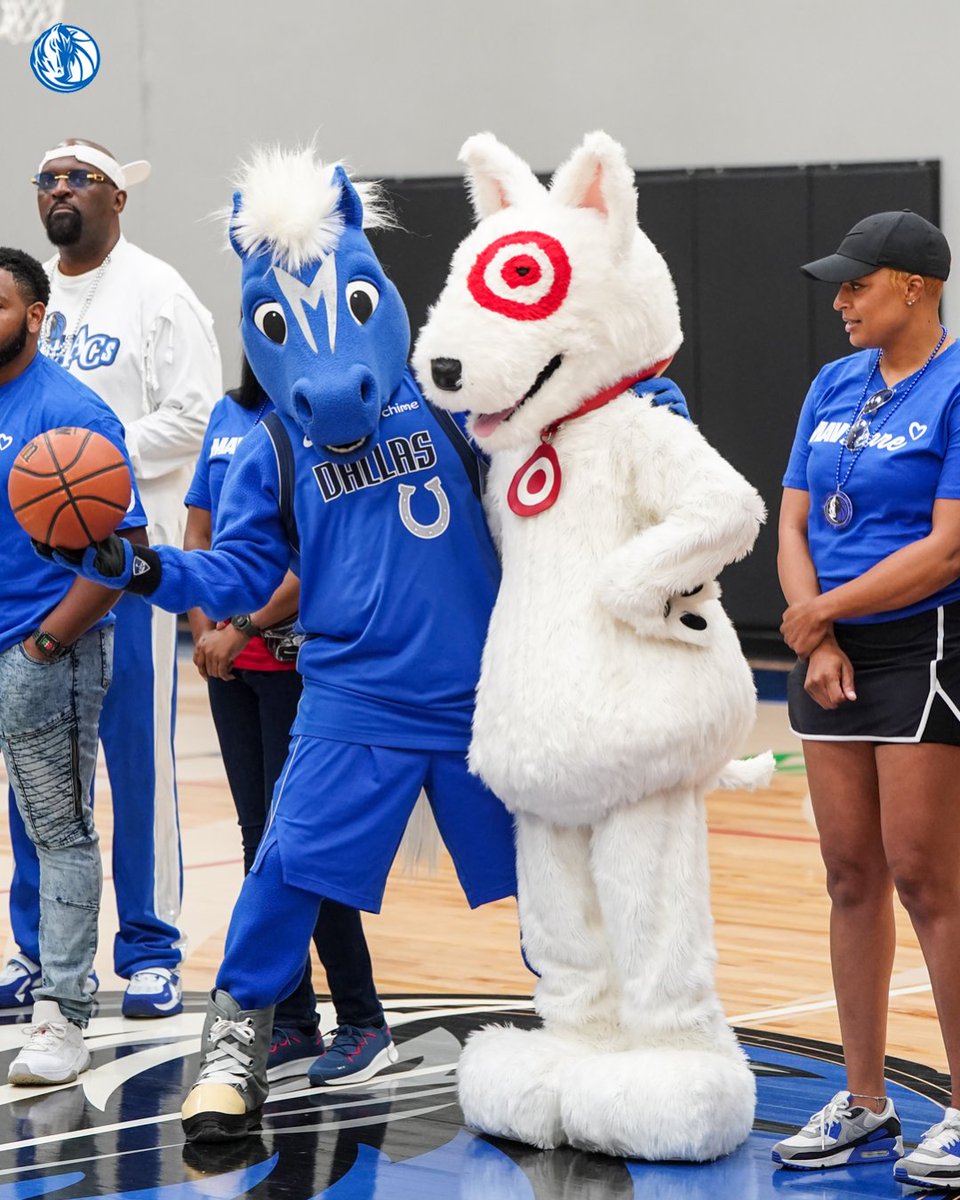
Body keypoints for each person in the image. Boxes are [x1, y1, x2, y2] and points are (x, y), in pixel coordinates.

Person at [47, 145, 519, 1143]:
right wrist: (140, 569)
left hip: (491, 688)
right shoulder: (270, 436)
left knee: (563, 881)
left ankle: (597, 1022)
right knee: (285, 865)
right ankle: (237, 1045)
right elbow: (234, 574)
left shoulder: (450, 396)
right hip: (355, 696)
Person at [0, 139, 221, 1018]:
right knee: (36, 775)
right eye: (46, 179)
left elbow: (197, 414)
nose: (60, 191)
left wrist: (78, 462)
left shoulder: (159, 291)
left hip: (126, 565)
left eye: (79, 179)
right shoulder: (21, 294)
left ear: (117, 198)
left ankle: (152, 947)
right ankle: (41, 952)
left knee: (135, 762)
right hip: (30, 578)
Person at [773, 210, 960, 1190]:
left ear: (916, 287)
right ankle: (866, 1103)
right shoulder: (830, 384)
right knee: (850, 874)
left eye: (857, 283)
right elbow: (795, 518)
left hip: (921, 648)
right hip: (831, 651)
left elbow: (947, 546)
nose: (841, 301)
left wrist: (821, 618)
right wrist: (816, 632)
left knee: (926, 878)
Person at [183, 356, 395, 1086]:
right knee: (258, 846)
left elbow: (323, 558)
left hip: (297, 669)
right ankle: (295, 1021)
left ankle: (363, 1020)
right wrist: (203, 624)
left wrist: (238, 624)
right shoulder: (225, 417)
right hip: (227, 664)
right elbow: (199, 530)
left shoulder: (330, 426)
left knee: (303, 849)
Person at [0, 247, 147, 1083]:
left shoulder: (72, 413)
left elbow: (128, 551)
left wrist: (48, 641)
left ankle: (62, 1015)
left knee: (58, 831)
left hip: (41, 647)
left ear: (35, 317)